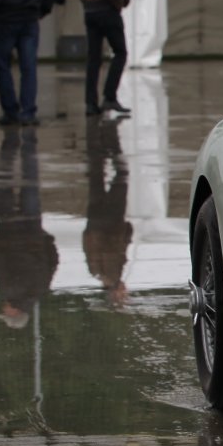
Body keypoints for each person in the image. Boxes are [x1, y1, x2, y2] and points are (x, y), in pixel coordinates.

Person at [0, 127, 57, 330]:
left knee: (31, 184)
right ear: (15, 312)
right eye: (6, 313)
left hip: (33, 231)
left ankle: (28, 141)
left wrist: (45, 239)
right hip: (6, 230)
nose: (3, 309)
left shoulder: (41, 290)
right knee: (3, 182)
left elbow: (53, 261)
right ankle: (10, 141)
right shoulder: (8, 290)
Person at [83, 117, 132, 308]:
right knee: (96, 175)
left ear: (115, 294)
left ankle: (109, 133)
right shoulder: (96, 272)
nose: (126, 291)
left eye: (123, 295)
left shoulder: (112, 274)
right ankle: (96, 132)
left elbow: (116, 246)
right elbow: (87, 243)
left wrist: (127, 233)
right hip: (95, 222)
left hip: (111, 222)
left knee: (122, 175)